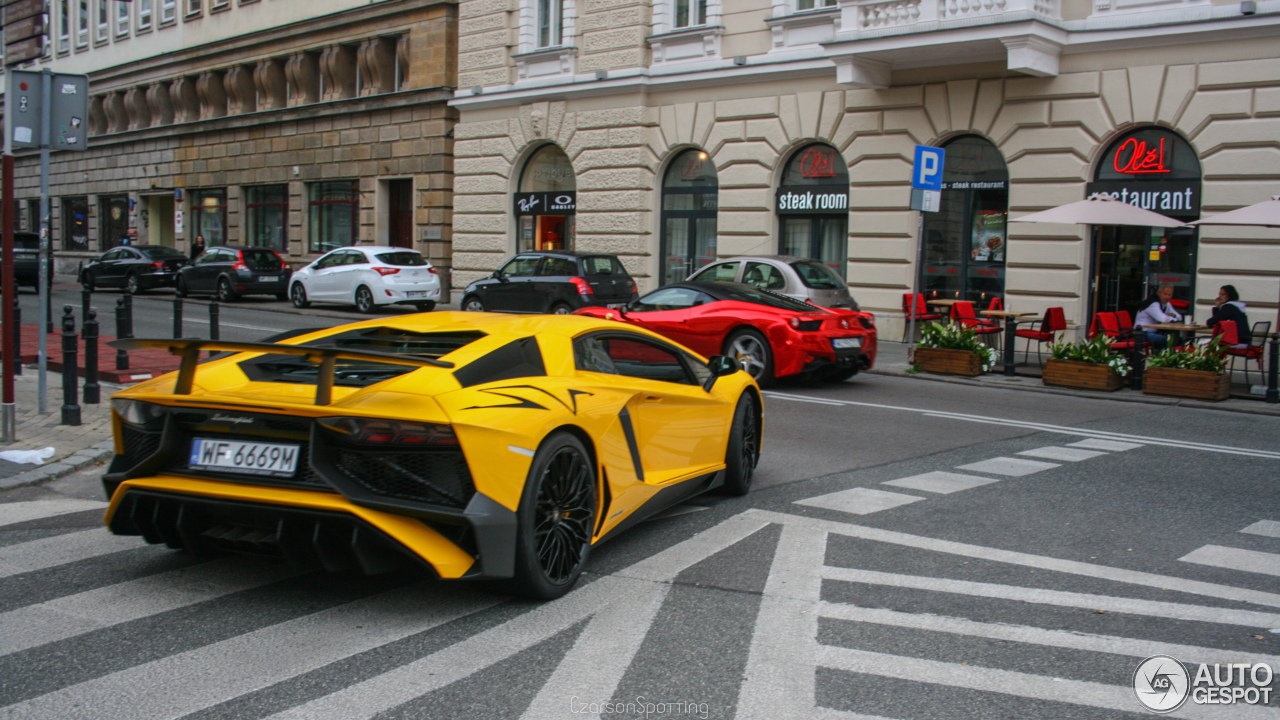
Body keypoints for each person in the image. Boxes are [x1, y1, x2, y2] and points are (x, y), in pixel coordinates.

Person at [1133, 284, 1182, 351]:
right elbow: (1163, 319)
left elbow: (1179, 317)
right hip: (1141, 333)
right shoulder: (1153, 303)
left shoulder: (1166, 303)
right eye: (1165, 294)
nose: (1167, 297)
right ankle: (1161, 358)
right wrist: (1169, 317)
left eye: (1169, 295)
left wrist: (1173, 316)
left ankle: (1167, 357)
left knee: (1176, 339)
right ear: (1159, 293)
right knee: (1165, 339)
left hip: (1153, 332)